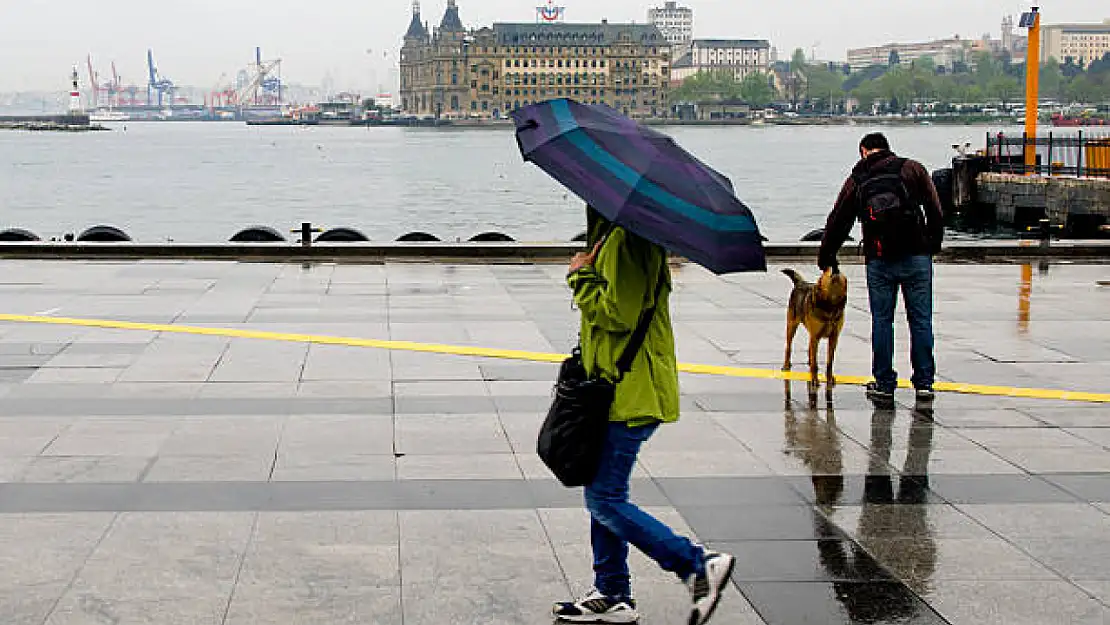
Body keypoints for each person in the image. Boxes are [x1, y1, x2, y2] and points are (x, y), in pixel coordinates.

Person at [553, 206, 735, 625]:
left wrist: (579, 275)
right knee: (602, 492)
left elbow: (618, 314)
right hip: (620, 388)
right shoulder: (623, 237)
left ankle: (696, 565)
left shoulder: (626, 242)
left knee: (604, 498)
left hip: (628, 392)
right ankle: (613, 591)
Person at [818, 133, 944, 402]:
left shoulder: (858, 179)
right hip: (917, 256)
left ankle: (885, 384)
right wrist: (932, 244)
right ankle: (924, 383)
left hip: (879, 258)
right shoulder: (912, 169)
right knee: (921, 320)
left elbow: (839, 220)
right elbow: (935, 209)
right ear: (887, 149)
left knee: (882, 320)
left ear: (864, 151)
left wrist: (827, 255)